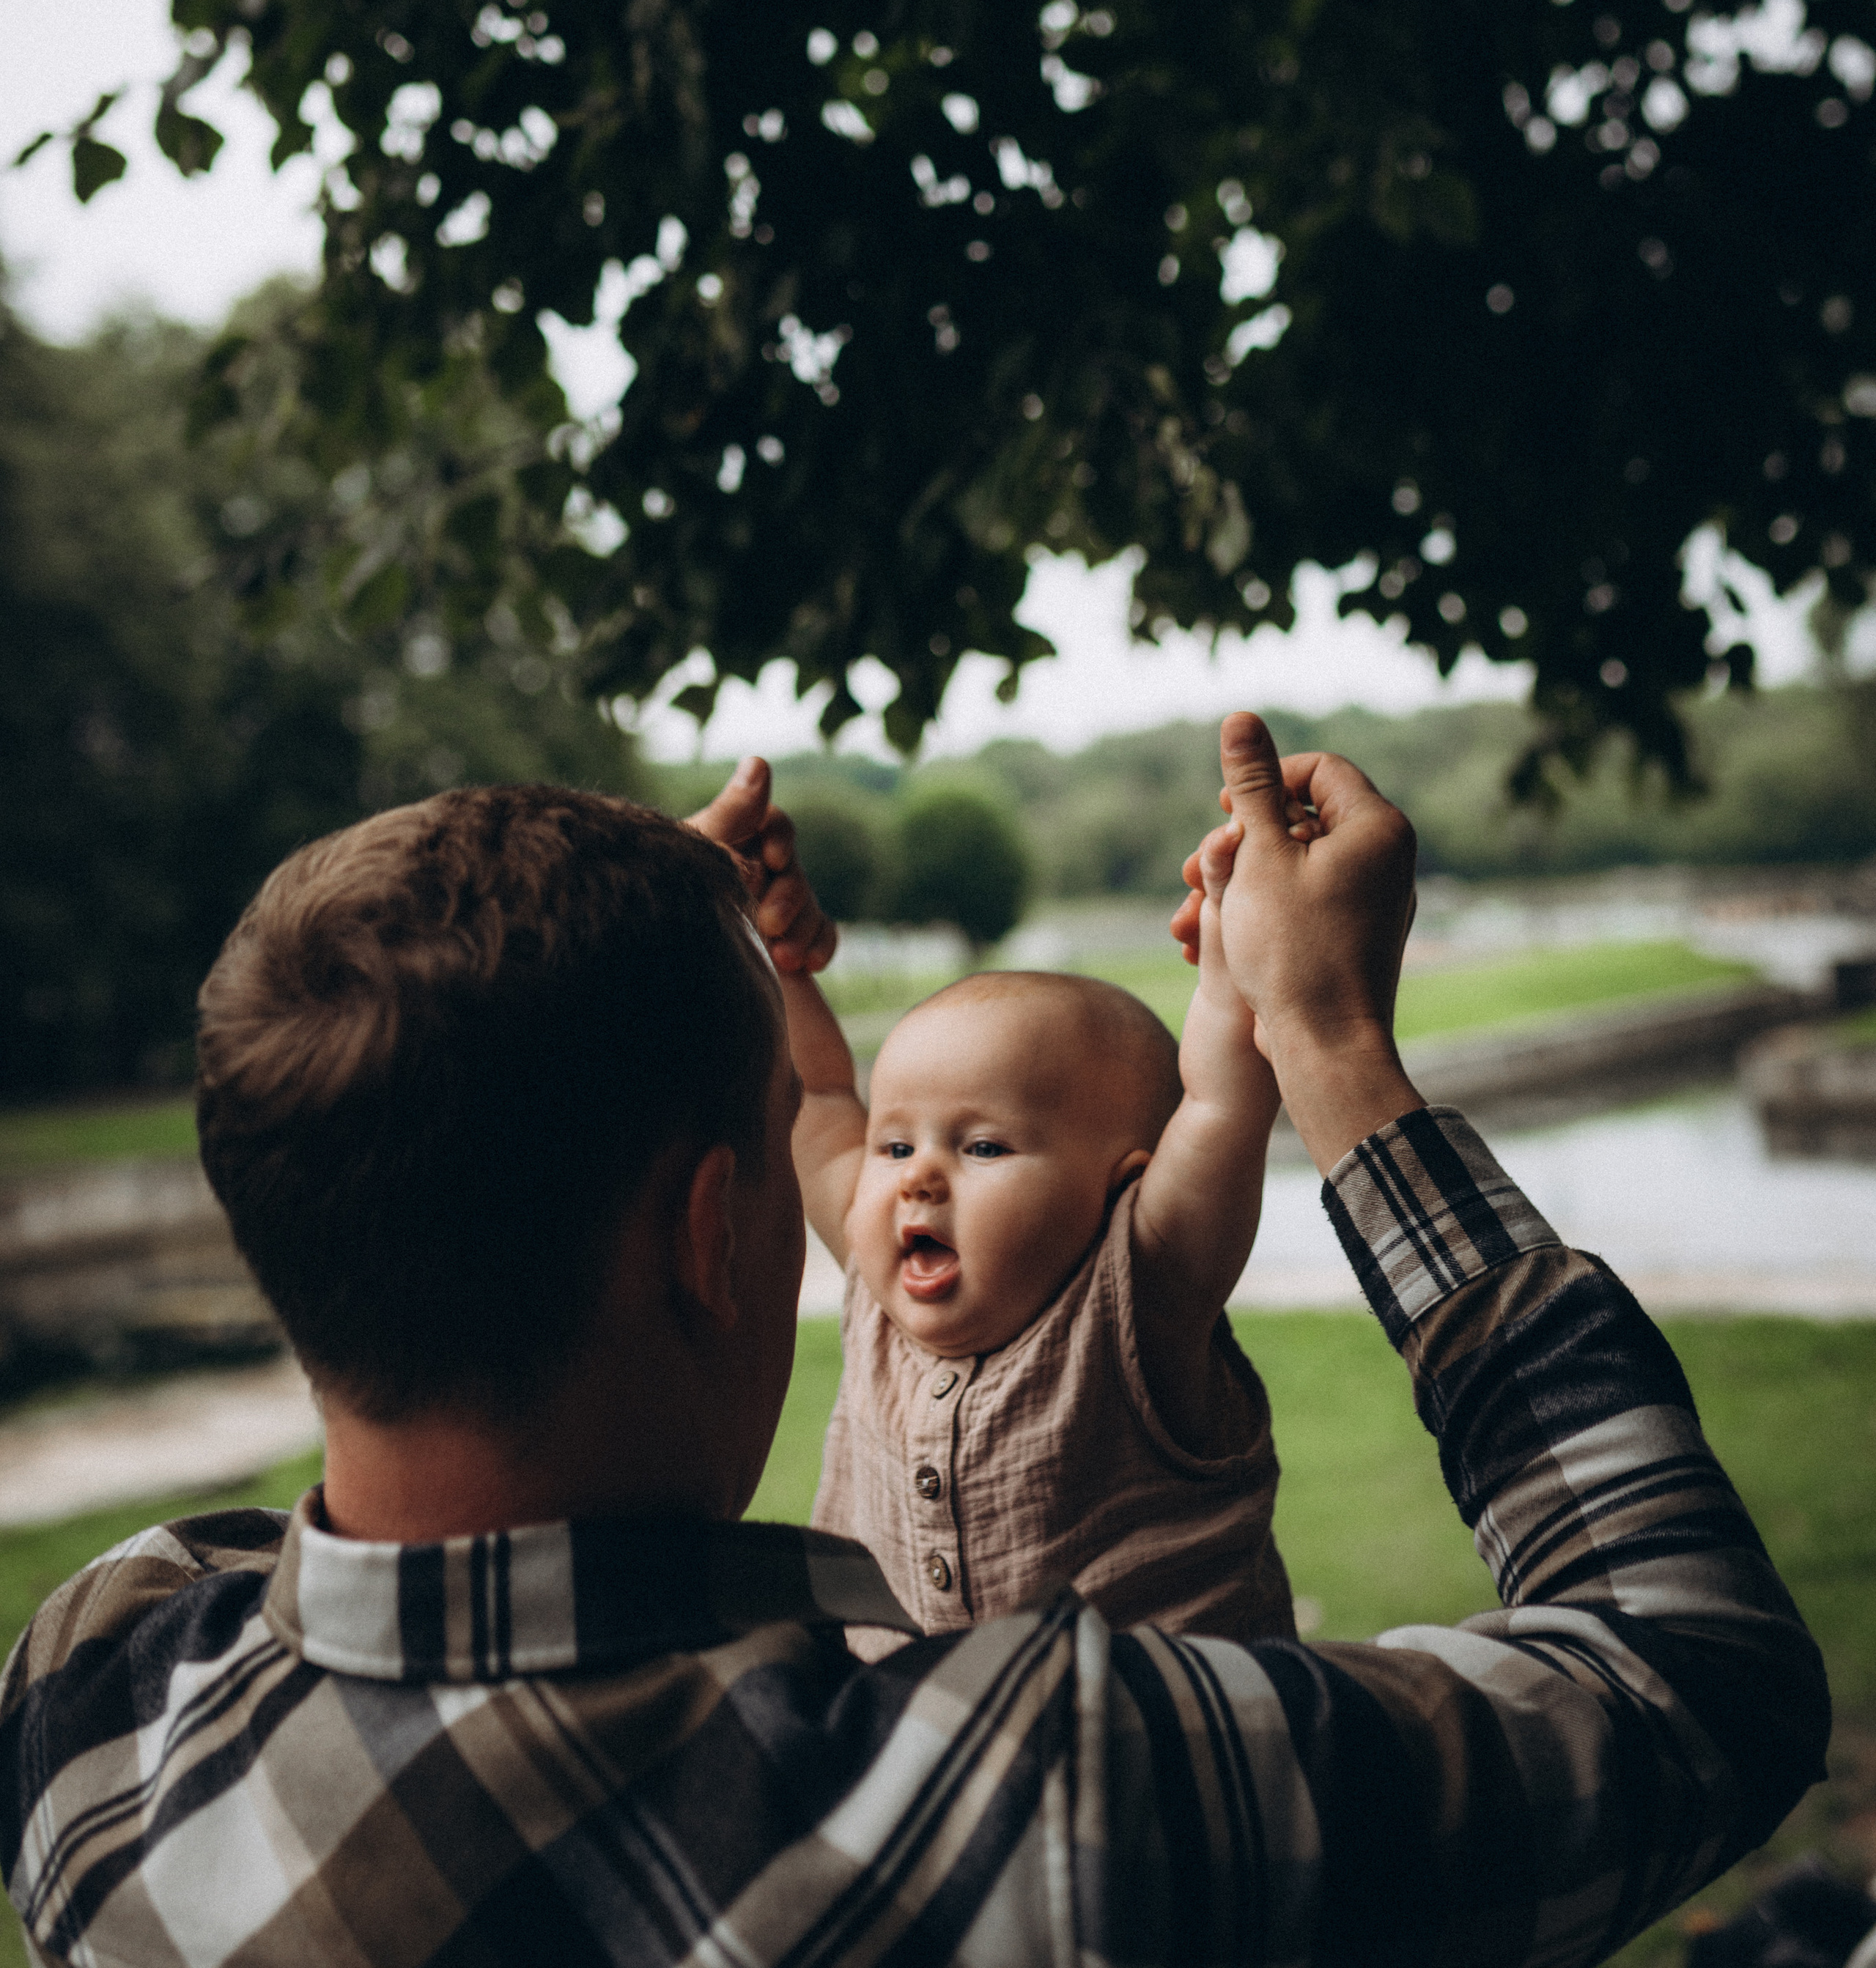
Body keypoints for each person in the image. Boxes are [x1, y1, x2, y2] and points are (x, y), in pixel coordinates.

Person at [0, 720, 1828, 1968]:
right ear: (715, 1234)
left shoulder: (95, 1690)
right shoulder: (1048, 1797)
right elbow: (1696, 1678)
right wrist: (1329, 1032)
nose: (889, 1188)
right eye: (867, 1139)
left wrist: (653, 989)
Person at [785, 837, 1295, 1648]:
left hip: (1155, 1748)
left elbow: (1222, 1108)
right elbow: (814, 1091)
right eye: (894, 1145)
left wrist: (1238, 964)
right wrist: (780, 964)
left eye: (982, 1147)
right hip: (922, 1748)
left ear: (1126, 1190)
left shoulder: (1141, 1294)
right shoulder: (872, 1266)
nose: (917, 1179)